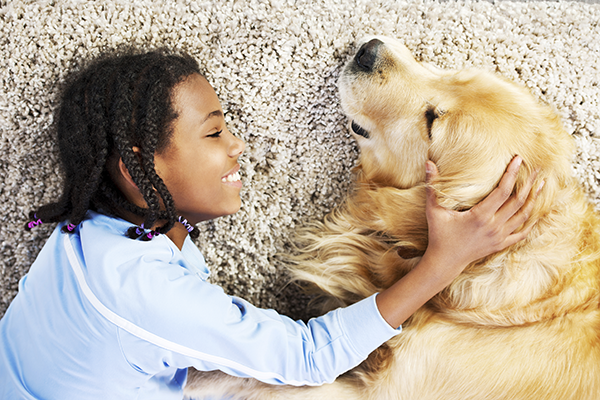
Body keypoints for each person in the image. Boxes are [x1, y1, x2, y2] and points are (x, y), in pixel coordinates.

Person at [0, 48, 541, 400]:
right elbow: (307, 357)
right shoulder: (146, 294)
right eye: (213, 134)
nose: (237, 145)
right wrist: (444, 262)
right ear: (140, 166)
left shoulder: (80, 232)